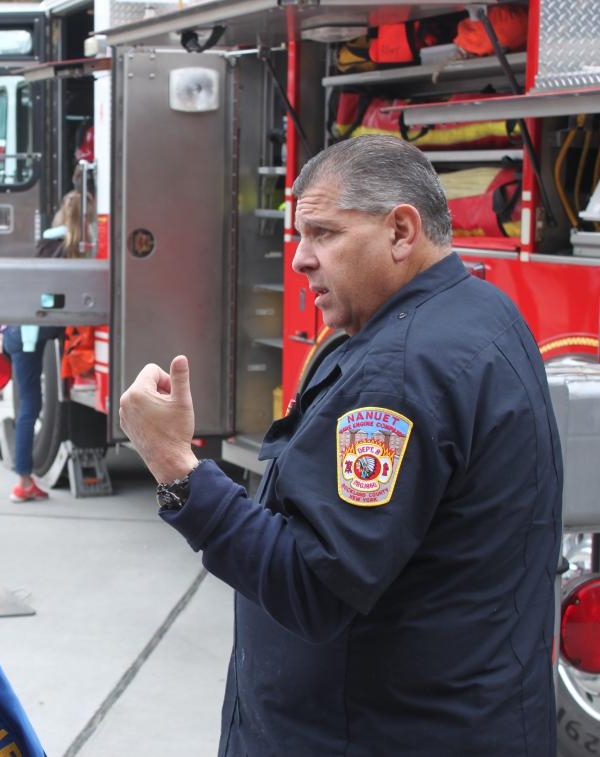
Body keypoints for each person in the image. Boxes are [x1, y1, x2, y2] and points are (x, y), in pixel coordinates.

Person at [119, 135, 561, 755]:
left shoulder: (401, 373)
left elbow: (313, 587)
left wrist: (174, 463)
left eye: (323, 233)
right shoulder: (480, 311)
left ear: (402, 232)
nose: (300, 260)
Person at [2, 190, 94, 502]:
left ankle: (24, 479)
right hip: (29, 334)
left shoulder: (49, 242)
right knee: (30, 406)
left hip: (18, 329)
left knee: (30, 405)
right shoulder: (77, 247)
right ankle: (23, 480)